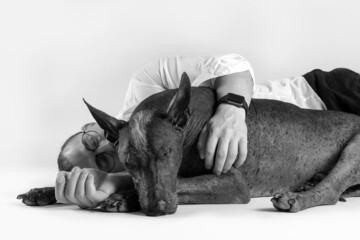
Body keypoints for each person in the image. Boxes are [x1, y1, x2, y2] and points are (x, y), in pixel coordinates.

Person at [55, 54, 360, 209]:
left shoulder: (143, 86)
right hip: (325, 163)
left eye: (90, 140)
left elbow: (231, 63)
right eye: (102, 161)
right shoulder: (153, 169)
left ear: (91, 126)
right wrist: (107, 185)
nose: (104, 146)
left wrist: (232, 110)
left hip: (323, 96)